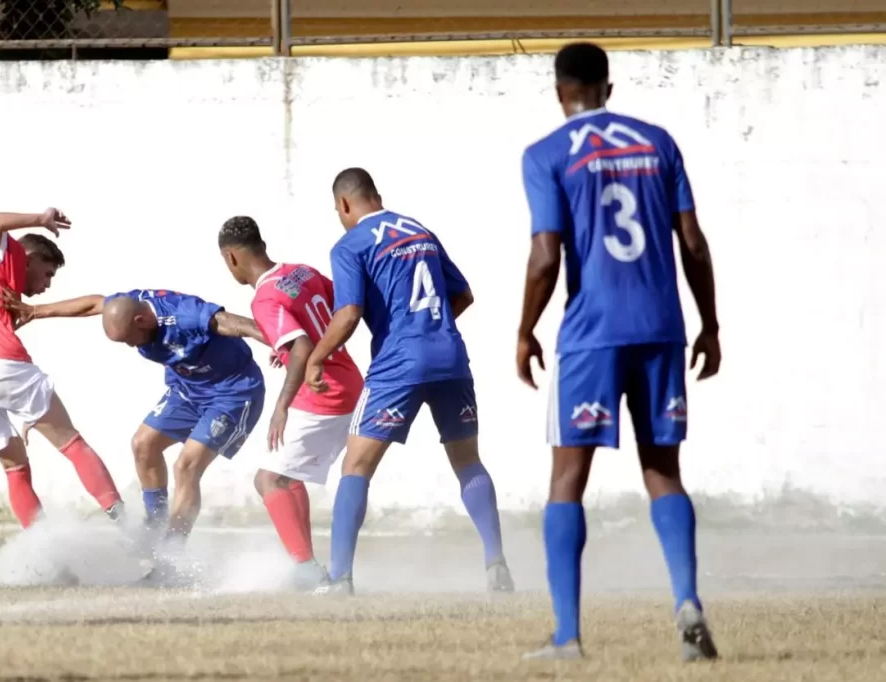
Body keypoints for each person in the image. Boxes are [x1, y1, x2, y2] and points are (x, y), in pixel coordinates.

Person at [515, 42, 721, 661]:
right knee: (663, 473)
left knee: (567, 482)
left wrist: (524, 330)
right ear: (609, 88)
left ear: (560, 93)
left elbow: (546, 256)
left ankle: (567, 637)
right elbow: (693, 241)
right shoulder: (658, 142)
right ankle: (686, 599)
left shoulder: (547, 154)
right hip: (662, 326)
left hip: (592, 334)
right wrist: (710, 323)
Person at [305, 167, 514, 596]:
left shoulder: (351, 244)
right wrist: (429, 330)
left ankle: (340, 578)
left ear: (344, 205)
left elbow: (347, 314)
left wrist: (318, 357)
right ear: (375, 196)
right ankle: (496, 565)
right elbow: (464, 294)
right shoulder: (419, 231)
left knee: (356, 465)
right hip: (450, 356)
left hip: (399, 363)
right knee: (467, 461)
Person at [0, 287, 268, 547]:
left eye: (130, 338)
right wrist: (35, 311)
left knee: (186, 467)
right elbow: (94, 303)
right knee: (143, 444)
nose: (130, 346)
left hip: (232, 393)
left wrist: (284, 345)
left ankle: (171, 553)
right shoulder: (127, 304)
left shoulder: (184, 315)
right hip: (188, 390)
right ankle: (155, 527)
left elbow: (233, 323)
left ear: (141, 321)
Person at [0, 208, 126, 530]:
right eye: (47, 274)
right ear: (27, 260)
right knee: (72, 444)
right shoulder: (8, 258)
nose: (47, 284)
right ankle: (130, 526)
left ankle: (42, 553)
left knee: (15, 468)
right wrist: (40, 219)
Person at [218, 215, 365, 590]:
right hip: (346, 379)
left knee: (268, 479)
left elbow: (301, 346)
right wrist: (288, 350)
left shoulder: (264, 298)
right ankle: (309, 565)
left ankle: (309, 572)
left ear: (232, 259)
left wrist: (282, 404)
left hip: (321, 390)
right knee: (285, 475)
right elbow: (342, 308)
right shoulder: (301, 271)